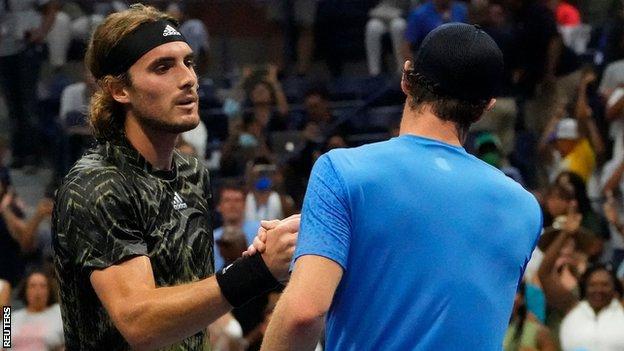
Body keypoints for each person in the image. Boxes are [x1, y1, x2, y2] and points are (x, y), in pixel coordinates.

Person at [260, 24, 543, 350]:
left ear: (406, 78)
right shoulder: (525, 208)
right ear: (485, 107)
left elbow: (303, 314)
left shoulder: (341, 172)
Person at [51, 5, 297, 349]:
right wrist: (255, 272)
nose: (188, 79)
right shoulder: (96, 183)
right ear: (119, 90)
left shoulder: (192, 173)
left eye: (188, 62)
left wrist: (255, 259)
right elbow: (140, 323)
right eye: (163, 67)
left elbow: (192, 308)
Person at [0, 0, 59, 169]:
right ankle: (18, 153)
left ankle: (33, 155)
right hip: (4, 50)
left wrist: (41, 32)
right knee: (12, 105)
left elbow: (51, 8)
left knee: (28, 103)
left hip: (26, 47)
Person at [11, 270, 64, 351]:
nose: (37, 291)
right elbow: (3, 346)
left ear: (49, 290)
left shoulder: (60, 313)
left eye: (43, 286)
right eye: (32, 286)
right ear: (25, 290)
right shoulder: (11, 317)